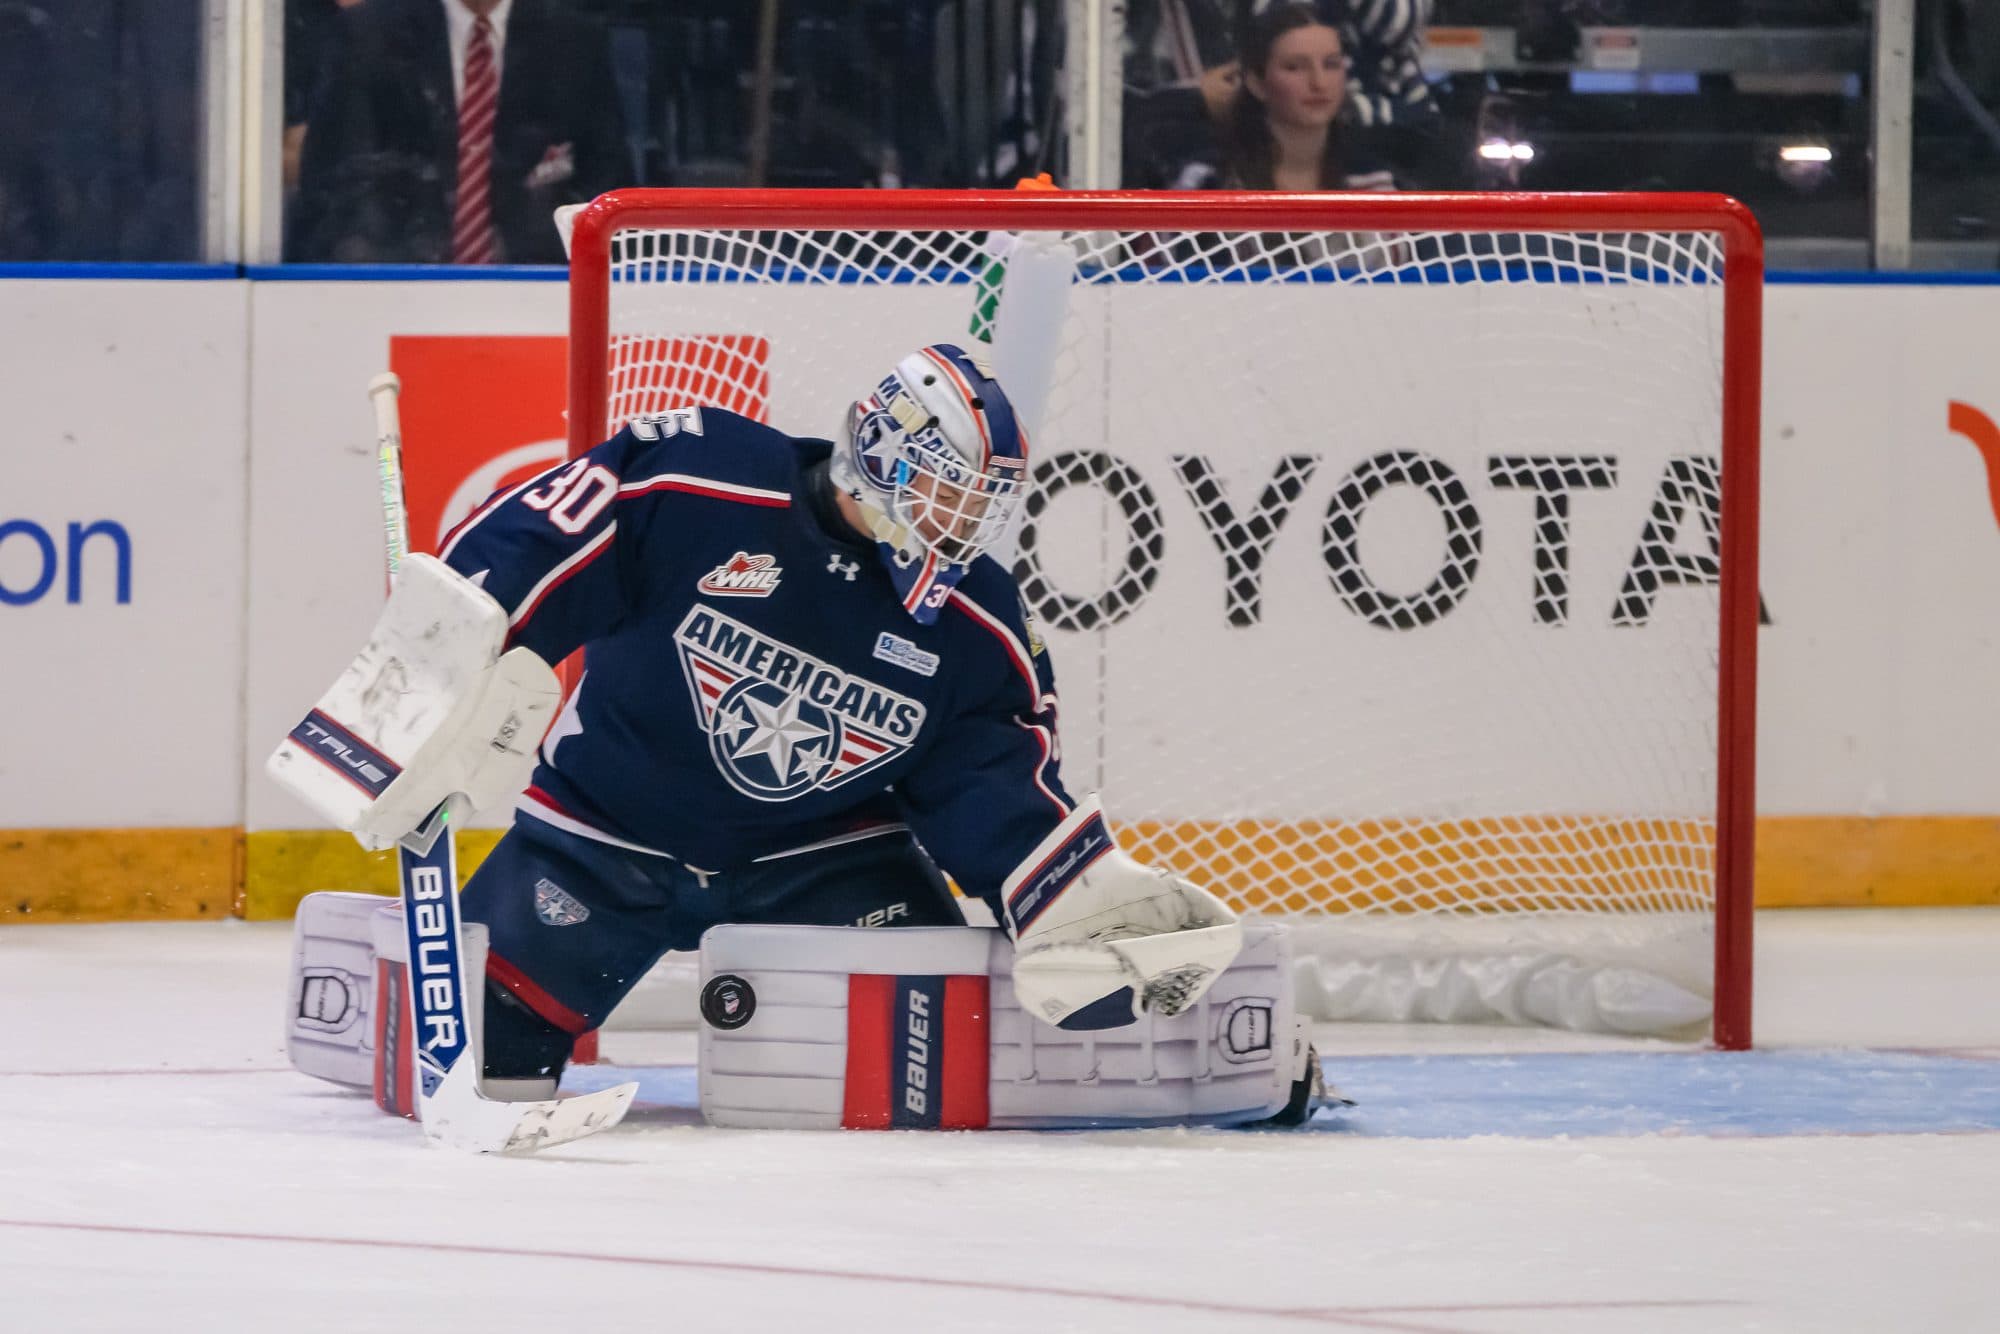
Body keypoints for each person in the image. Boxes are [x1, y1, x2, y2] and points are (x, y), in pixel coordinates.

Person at [271, 345, 1288, 1123]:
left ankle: (1271, 1063)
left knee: (938, 1056)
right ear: (885, 449)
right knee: (469, 1062)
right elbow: (536, 536)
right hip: (600, 838)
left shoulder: (975, 616)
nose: (963, 523)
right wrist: (443, 663)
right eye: (949, 490)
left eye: (981, 503)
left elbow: (987, 767)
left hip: (823, 866)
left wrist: (1057, 879)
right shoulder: (697, 480)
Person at [288, 0, 628, 264]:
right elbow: (333, 198)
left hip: (537, 306)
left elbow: (610, 198)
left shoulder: (576, 44)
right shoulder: (367, 38)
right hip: (396, 300)